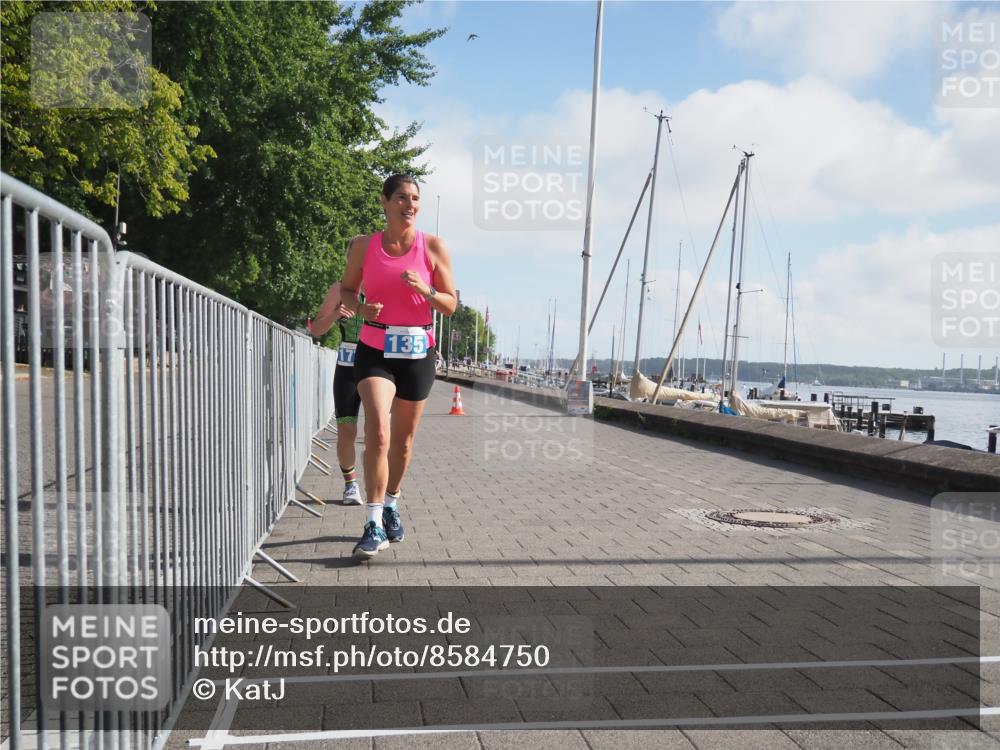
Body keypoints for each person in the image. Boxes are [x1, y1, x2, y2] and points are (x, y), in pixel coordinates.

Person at [340, 174, 457, 559]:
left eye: (416, 199)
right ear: (385, 202)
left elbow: (450, 304)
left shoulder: (433, 247)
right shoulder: (363, 246)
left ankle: (391, 503)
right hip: (375, 346)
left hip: (418, 351)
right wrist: (360, 307)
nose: (411, 205)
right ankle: (372, 522)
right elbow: (346, 289)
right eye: (403, 198)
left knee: (403, 444)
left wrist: (425, 290)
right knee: (378, 430)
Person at [311, 281, 365, 505]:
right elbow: (315, 328)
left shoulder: (384, 282)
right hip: (348, 366)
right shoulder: (340, 289)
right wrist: (335, 314)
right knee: (346, 428)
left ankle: (382, 488)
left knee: (378, 431)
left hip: (380, 367)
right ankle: (350, 484)